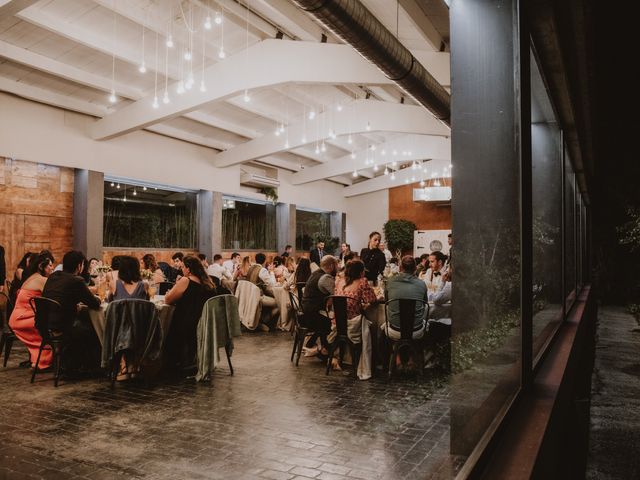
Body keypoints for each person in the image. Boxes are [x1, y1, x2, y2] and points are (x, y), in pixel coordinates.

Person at [41, 251, 102, 372]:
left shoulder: (54, 276)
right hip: (63, 328)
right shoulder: (76, 280)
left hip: (45, 325)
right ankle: (89, 367)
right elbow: (94, 304)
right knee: (94, 329)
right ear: (80, 266)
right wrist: (99, 298)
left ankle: (73, 363)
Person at [164, 255, 219, 369]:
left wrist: (175, 286)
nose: (181, 269)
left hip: (186, 324)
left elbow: (168, 300)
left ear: (188, 269)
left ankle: (170, 361)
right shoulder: (208, 283)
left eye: (183, 267)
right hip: (203, 322)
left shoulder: (185, 280)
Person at [8, 252, 55, 369]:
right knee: (52, 326)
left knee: (45, 324)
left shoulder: (32, 277)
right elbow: (55, 296)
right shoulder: (41, 280)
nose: (52, 267)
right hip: (23, 319)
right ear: (41, 266)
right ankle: (44, 362)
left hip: (17, 317)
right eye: (50, 265)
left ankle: (38, 361)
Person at [382, 255, 429, 341]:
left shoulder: (390, 282)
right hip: (416, 331)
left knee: (382, 325)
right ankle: (418, 352)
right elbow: (425, 303)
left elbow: (387, 301)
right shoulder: (422, 284)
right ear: (415, 268)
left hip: (395, 330)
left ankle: (392, 351)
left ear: (400, 268)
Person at [301, 255, 338, 355]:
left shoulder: (315, 274)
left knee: (329, 318)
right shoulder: (325, 278)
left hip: (305, 314)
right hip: (313, 317)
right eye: (336, 265)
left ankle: (317, 347)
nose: (338, 268)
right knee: (336, 323)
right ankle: (326, 351)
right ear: (331, 266)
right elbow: (338, 294)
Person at [334, 260, 378, 341]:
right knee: (374, 317)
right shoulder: (362, 282)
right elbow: (372, 299)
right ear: (361, 272)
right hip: (353, 322)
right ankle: (371, 347)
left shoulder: (339, 281)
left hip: (337, 321)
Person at [246, 253, 279, 331]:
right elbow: (272, 284)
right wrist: (271, 272)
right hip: (258, 296)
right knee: (279, 303)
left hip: (249, 295)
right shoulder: (262, 270)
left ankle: (261, 319)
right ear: (264, 261)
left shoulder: (251, 268)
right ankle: (263, 320)